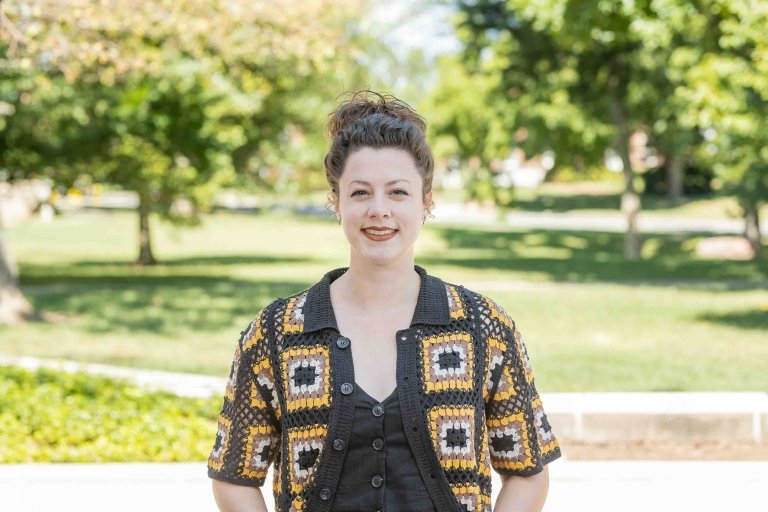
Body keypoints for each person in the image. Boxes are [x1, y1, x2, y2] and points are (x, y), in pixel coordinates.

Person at [208, 90, 560, 512]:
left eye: (397, 192)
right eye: (360, 193)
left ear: (426, 202)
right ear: (335, 202)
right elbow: (234, 476)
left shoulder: (483, 327)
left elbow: (528, 470)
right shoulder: (277, 332)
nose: (379, 210)